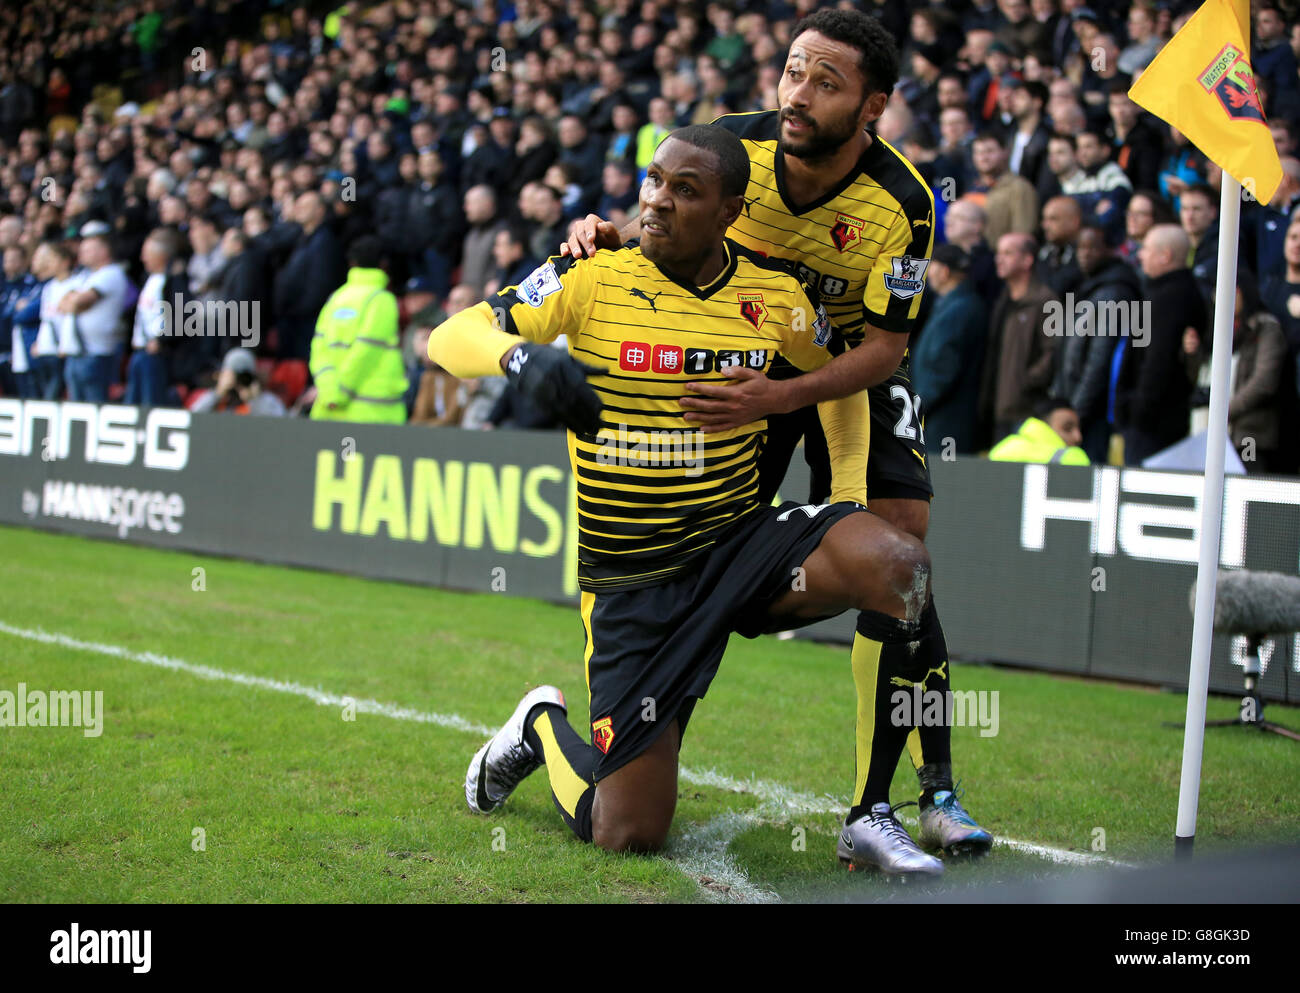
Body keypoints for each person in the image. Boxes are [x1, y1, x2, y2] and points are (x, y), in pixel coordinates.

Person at [433, 125, 940, 866]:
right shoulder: (590, 274)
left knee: (901, 564)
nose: (658, 203)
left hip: (739, 549)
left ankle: (876, 808)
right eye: (653, 182)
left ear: (731, 211)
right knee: (627, 832)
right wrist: (518, 358)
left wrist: (850, 494)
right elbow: (450, 335)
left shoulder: (776, 295)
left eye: (685, 190)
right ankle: (542, 723)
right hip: (633, 579)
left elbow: (845, 381)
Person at [565, 10, 991, 873]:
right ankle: (642, 710)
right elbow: (666, 216)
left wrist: (786, 392)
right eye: (793, 71)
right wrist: (603, 234)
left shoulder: (905, 202)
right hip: (739, 378)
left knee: (901, 538)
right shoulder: (733, 148)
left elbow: (884, 348)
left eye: (824, 83)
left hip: (835, 376)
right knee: (702, 544)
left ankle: (919, 792)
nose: (797, 95)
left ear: (873, 105)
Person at [1116, 224, 1206, 465]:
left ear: (1165, 255)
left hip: (1153, 425)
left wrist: (1138, 410)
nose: (1140, 254)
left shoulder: (1170, 298)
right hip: (1155, 419)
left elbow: (1158, 359)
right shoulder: (1164, 292)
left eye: (1145, 248)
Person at [308, 235, 407, 424]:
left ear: (352, 263)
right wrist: (341, 391)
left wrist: (329, 390)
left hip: (329, 408)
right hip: (373, 413)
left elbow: (319, 349)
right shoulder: (382, 300)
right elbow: (367, 351)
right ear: (384, 264)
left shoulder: (336, 298)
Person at [980, 232, 1060, 444]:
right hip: (999, 408)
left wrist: (1025, 382)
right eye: (998, 253)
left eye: (1008, 253)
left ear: (1027, 260)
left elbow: (1053, 352)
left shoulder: (1045, 300)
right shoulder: (1002, 300)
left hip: (1027, 411)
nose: (999, 258)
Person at [909, 244, 988, 455]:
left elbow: (943, 370)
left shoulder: (960, 309)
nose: (928, 274)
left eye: (931, 267)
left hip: (945, 422)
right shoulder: (954, 304)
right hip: (941, 417)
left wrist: (916, 407)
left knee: (942, 482)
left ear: (944, 272)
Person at [58, 225, 130, 404]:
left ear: (104, 251)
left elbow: (77, 302)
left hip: (96, 353)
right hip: (77, 352)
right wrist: (75, 303)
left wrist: (75, 303)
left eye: (88, 250)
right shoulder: (86, 276)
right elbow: (63, 304)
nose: (82, 254)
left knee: (94, 406)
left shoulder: (111, 273)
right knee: (76, 409)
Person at [989, 396, 1090, 464]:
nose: (1078, 437)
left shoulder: (1001, 450)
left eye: (1079, 428)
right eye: (1067, 428)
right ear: (1044, 426)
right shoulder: (1073, 457)